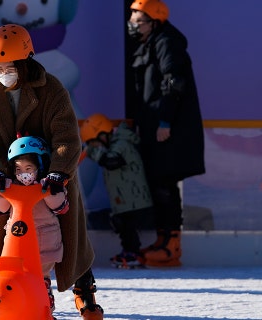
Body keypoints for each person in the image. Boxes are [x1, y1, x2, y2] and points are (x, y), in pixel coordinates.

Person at [0, 24, 103, 320]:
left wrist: (58, 172)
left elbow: (66, 135)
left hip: (50, 177)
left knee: (69, 237)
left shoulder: (51, 88)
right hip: (6, 181)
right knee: (2, 243)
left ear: (25, 62)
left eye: (8, 66)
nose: (1, 72)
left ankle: (84, 288)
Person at [127, 0, 205, 267]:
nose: (133, 26)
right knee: (159, 184)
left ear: (154, 21)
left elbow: (173, 83)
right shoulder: (151, 42)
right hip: (153, 127)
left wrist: (164, 122)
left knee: (166, 184)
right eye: (133, 20)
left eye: (138, 21)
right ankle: (163, 240)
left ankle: (172, 246)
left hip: (167, 130)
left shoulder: (167, 42)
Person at [0, 135, 70, 314]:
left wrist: (49, 189)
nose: (23, 173)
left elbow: (60, 207)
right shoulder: (12, 186)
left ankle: (43, 305)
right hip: (16, 239)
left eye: (28, 168)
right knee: (15, 273)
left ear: (39, 167)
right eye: (18, 169)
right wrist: (0, 191)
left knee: (40, 274)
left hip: (44, 240)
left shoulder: (47, 185)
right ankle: (16, 305)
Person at [80, 114, 153, 269]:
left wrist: (92, 152)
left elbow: (112, 161)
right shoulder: (114, 144)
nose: (96, 147)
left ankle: (133, 252)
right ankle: (128, 250)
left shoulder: (122, 143)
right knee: (122, 224)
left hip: (135, 200)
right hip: (125, 201)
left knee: (128, 226)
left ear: (103, 134)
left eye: (95, 143)